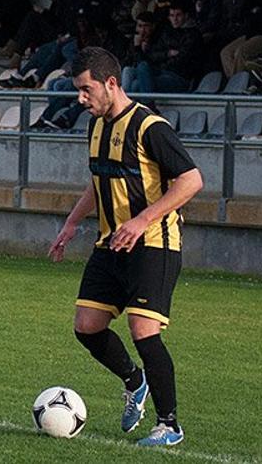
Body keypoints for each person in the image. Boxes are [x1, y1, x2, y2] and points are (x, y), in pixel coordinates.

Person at [48, 46, 202, 448]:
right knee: (87, 326)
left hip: (154, 243)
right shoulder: (96, 126)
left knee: (143, 330)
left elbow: (191, 181)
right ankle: (136, 382)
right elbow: (100, 181)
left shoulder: (151, 127)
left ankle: (169, 425)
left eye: (86, 90)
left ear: (111, 83)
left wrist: (141, 221)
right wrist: (71, 223)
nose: (81, 99)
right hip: (111, 242)